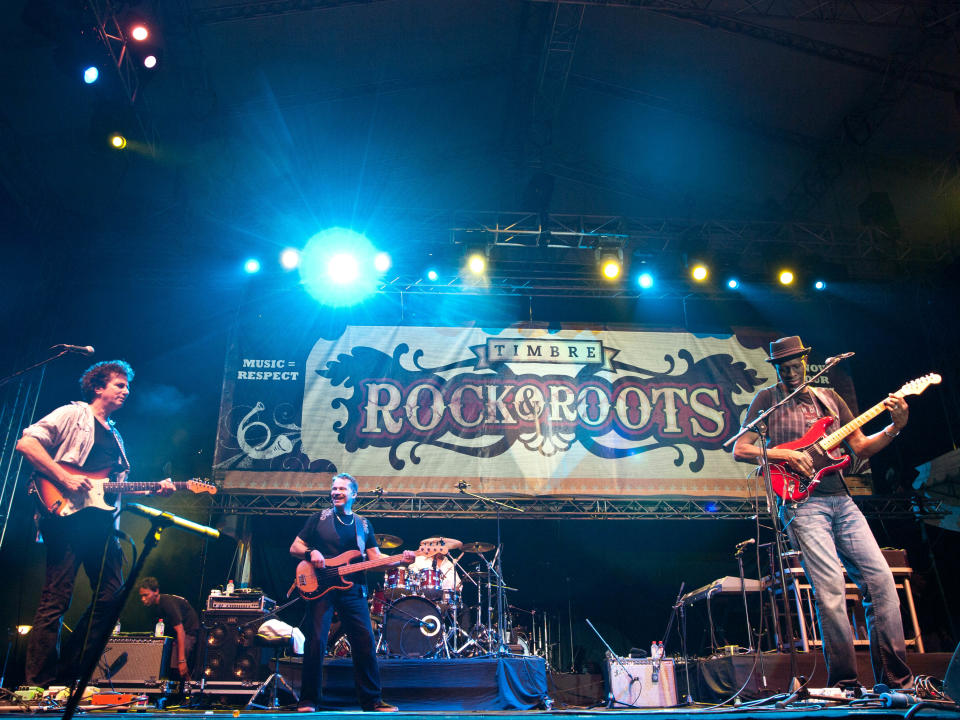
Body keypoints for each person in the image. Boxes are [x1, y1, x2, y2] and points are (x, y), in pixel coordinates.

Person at [733, 336, 912, 689]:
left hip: (842, 501)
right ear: (776, 369)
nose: (789, 371)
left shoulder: (829, 398)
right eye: (782, 367)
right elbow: (741, 448)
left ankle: (896, 683)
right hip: (801, 504)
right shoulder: (768, 399)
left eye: (794, 364)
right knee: (830, 592)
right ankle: (846, 684)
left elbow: (860, 447)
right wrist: (785, 455)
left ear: (804, 362)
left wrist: (895, 426)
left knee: (881, 583)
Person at [16, 360, 175, 687]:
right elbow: (27, 444)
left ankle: (70, 674)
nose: (126, 391)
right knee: (56, 600)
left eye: (127, 387)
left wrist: (154, 488)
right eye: (120, 385)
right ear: (98, 387)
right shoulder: (72, 415)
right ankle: (37, 682)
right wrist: (64, 477)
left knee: (111, 598)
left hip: (100, 524)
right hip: (66, 518)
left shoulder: (115, 435)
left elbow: (110, 486)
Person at [289, 473, 414, 712]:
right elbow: (295, 546)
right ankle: (308, 700)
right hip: (321, 587)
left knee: (365, 641)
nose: (336, 492)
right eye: (334, 488)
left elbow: (376, 559)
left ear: (353, 495)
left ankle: (372, 701)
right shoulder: (319, 518)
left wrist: (401, 561)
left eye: (341, 489)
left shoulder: (363, 524)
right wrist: (310, 553)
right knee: (316, 640)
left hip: (353, 589)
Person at [137, 577, 200, 680]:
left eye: (146, 595)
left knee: (178, 667)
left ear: (156, 591)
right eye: (141, 596)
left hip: (189, 632)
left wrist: (181, 660)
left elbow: (181, 631)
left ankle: (187, 690)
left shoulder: (166, 603)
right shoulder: (156, 606)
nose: (143, 599)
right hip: (178, 634)